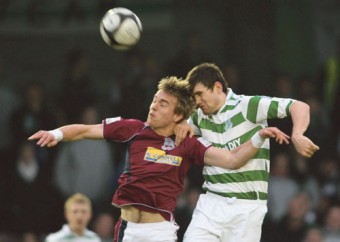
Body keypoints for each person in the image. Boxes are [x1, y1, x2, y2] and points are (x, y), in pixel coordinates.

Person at [29, 76, 290, 242]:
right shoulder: (133, 128)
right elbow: (86, 130)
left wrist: (259, 137)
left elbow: (232, 160)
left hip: (160, 233)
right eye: (155, 100)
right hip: (127, 229)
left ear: (178, 116)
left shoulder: (187, 142)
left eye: (163, 103)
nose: (154, 106)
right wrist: (56, 133)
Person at [173, 63, 319, 242]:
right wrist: (180, 124)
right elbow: (180, 131)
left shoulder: (248, 105)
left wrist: (297, 134)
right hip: (211, 202)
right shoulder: (199, 116)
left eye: (199, 94)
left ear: (217, 87)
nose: (196, 101)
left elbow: (299, 107)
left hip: (247, 206)